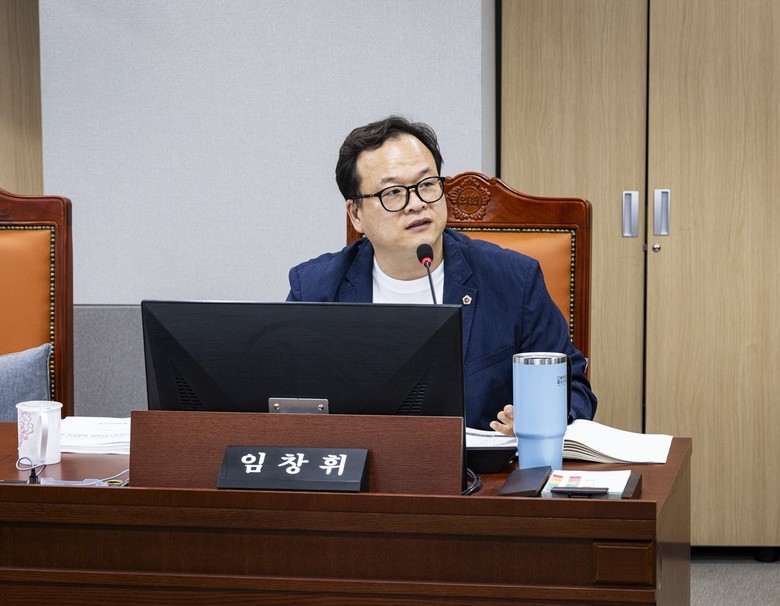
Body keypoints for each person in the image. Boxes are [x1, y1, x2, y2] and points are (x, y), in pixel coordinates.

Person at [287, 115, 596, 433]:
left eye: (426, 184)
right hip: (362, 462)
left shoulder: (513, 281)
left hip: (481, 464)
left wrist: (541, 416)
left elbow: (573, 388)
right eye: (392, 192)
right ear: (356, 214)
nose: (416, 204)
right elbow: (282, 402)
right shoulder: (315, 290)